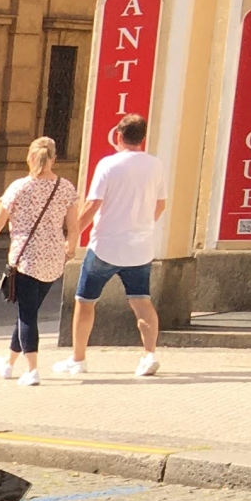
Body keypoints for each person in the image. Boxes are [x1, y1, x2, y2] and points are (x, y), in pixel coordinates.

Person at [61, 113, 167, 379]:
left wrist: (72, 239)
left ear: (119, 136)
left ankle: (78, 359)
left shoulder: (108, 165)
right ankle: (149, 354)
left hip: (106, 244)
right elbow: (161, 203)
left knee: (85, 302)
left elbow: (92, 204)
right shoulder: (156, 166)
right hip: (140, 246)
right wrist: (143, 224)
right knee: (141, 301)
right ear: (143, 138)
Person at [0, 137, 77, 387]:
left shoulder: (19, 187)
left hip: (26, 259)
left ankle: (32, 370)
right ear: (54, 159)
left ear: (29, 157)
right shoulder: (66, 187)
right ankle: (8, 363)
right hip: (53, 259)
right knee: (28, 311)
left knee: (27, 315)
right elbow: (74, 225)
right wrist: (70, 247)